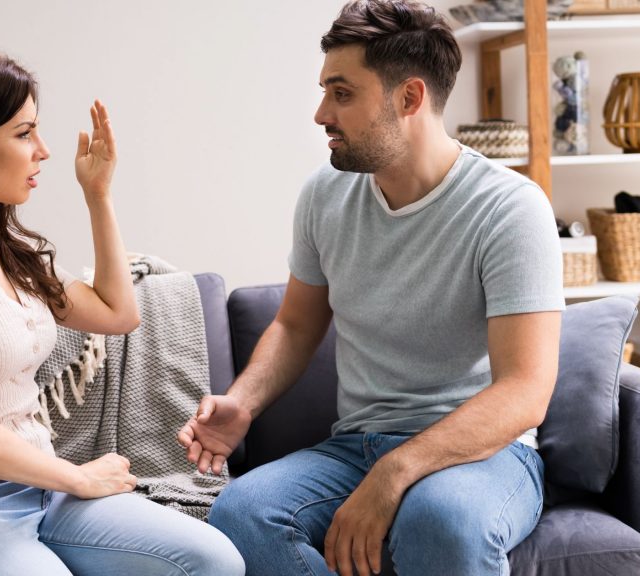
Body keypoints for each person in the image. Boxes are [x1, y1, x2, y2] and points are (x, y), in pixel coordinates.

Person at [177, 1, 564, 575]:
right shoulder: (325, 197)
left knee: (441, 519)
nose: (319, 114)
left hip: (484, 454)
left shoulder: (509, 209)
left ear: (408, 99)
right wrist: (244, 402)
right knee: (242, 513)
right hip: (355, 447)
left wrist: (397, 470)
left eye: (342, 93)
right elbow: (295, 324)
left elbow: (526, 390)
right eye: (324, 91)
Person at [0, 53, 244, 576]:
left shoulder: (5, 242)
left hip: (43, 489)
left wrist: (98, 194)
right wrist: (78, 477)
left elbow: (117, 313)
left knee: (213, 560)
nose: (42, 151)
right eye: (24, 134)